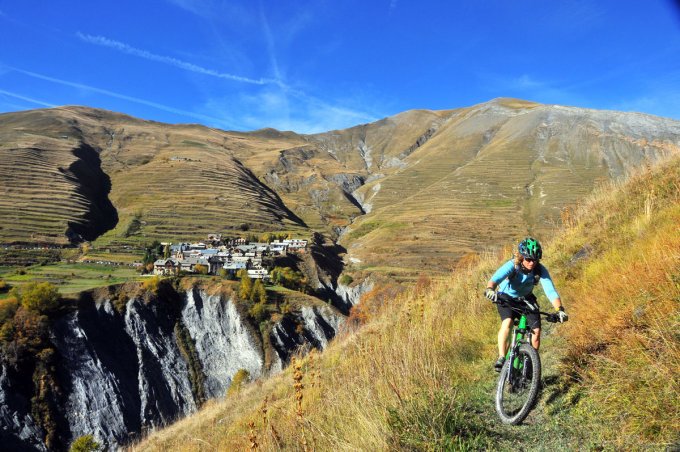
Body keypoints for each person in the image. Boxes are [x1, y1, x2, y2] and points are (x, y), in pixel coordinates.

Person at [484, 237, 568, 372]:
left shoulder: (540, 270)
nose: (532, 263)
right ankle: (501, 357)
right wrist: (490, 290)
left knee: (536, 332)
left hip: (526, 299)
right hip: (507, 298)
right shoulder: (513, 265)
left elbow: (550, 290)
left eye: (535, 259)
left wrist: (560, 309)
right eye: (528, 259)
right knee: (508, 323)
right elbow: (495, 279)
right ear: (522, 257)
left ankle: (531, 365)